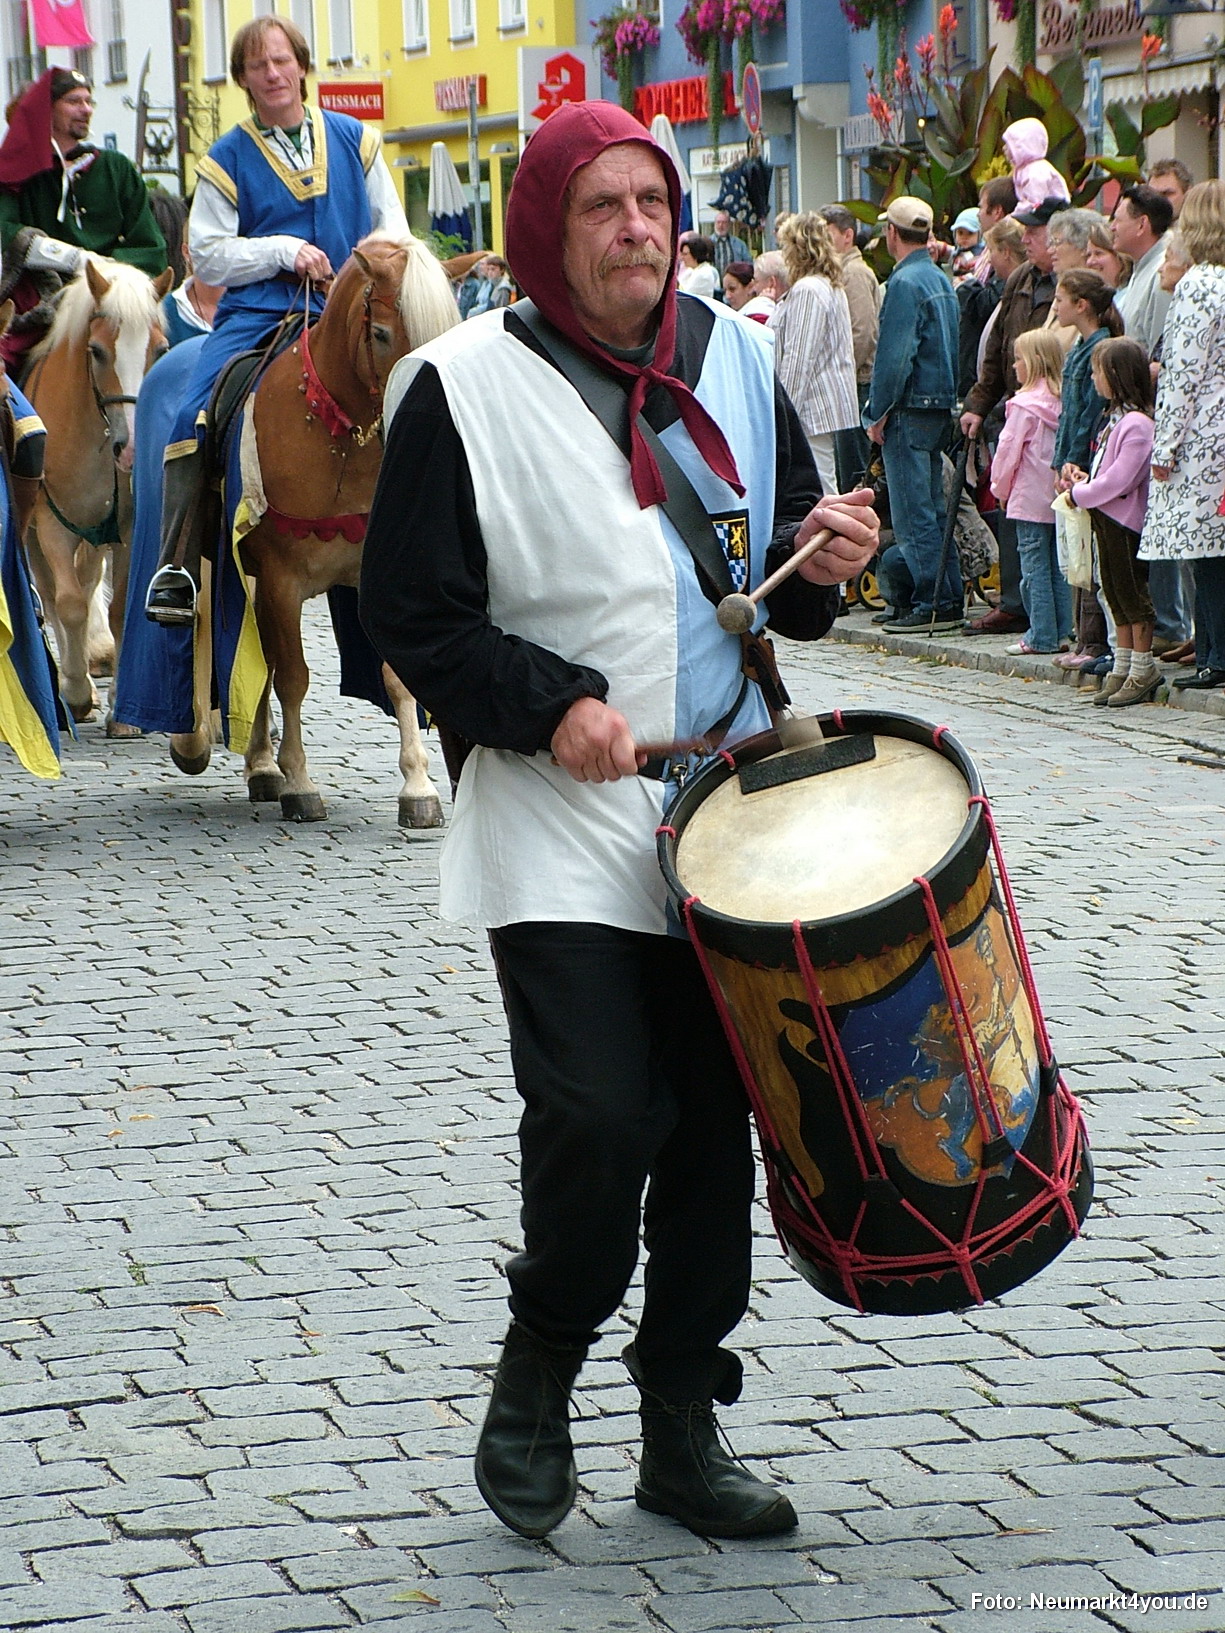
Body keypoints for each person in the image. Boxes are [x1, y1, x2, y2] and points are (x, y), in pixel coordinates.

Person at [358, 100, 879, 1543]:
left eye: (652, 202)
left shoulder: (738, 353)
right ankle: (542, 1358)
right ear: (544, 229)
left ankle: (679, 1423)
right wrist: (549, 706)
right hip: (557, 814)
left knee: (714, 1131)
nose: (638, 228)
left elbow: (783, 580)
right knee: (597, 1112)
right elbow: (410, 613)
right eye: (603, 205)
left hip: (727, 803)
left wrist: (828, 558)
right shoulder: (455, 387)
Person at [143, 14, 410, 624]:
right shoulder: (225, 158)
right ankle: (177, 565)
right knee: (193, 413)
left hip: (350, 310)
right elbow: (208, 252)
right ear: (243, 78)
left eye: (282, 60)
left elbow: (392, 229)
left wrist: (359, 271)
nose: (272, 73)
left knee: (413, 388)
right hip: (259, 313)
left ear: (302, 66)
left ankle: (433, 539)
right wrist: (283, 252)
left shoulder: (357, 140)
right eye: (258, 64)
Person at [0, 67, 167, 367]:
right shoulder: (19, 174)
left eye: (89, 101)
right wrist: (75, 259)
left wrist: (111, 273)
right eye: (74, 101)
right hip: (44, 296)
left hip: (113, 299)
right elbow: (7, 231)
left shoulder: (116, 168)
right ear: (47, 110)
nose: (86, 109)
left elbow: (149, 245)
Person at [962, 196, 1066, 636]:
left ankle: (1047, 623)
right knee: (1019, 530)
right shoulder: (1022, 277)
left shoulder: (1067, 280)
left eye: (1035, 232)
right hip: (1013, 399)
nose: (1027, 239)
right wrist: (978, 403)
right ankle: (1016, 605)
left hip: (1045, 406)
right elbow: (997, 347)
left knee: (1045, 541)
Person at [1140, 180, 1225, 692]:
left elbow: (1182, 375)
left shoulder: (1199, 284)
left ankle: (1215, 655)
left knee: (1205, 553)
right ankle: (1212, 652)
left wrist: (1166, 445)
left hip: (1201, 437)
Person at [866, 196, 961, 633]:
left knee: (912, 513)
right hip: (938, 406)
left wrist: (877, 412)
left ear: (892, 233)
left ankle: (932, 600)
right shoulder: (939, 277)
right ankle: (946, 595)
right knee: (935, 511)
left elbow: (895, 357)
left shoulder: (904, 283)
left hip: (908, 409)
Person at [1066, 337, 1158, 706]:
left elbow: (1121, 479)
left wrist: (1080, 494)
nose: (1093, 379)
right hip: (1105, 518)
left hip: (1124, 522)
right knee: (1114, 594)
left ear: (1117, 376)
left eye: (1098, 372)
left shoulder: (1137, 424)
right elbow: (1107, 472)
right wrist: (1085, 481)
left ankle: (1143, 667)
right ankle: (1122, 664)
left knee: (1132, 594)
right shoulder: (1116, 421)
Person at [990, 329, 1069, 655]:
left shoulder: (1023, 406)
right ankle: (1062, 631)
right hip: (1058, 497)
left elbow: (1007, 453)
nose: (1014, 366)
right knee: (1058, 568)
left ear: (1034, 362)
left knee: (1034, 569)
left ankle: (1040, 635)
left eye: (1018, 359)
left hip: (1028, 498)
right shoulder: (1063, 401)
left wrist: (999, 488)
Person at [771, 211, 859, 498]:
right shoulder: (830, 286)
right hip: (820, 405)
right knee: (822, 482)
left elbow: (799, 358)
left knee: (819, 486)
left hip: (810, 408)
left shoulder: (808, 290)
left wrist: (784, 415)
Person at [822, 202, 882, 491]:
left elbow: (863, 331)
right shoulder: (841, 272)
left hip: (857, 384)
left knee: (854, 471)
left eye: (828, 235)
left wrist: (843, 374)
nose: (823, 243)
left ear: (848, 236)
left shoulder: (854, 273)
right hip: (852, 383)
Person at [1111, 184, 1174, 357]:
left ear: (1142, 224)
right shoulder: (1141, 266)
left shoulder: (1164, 271)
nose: (1112, 227)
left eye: (1118, 220)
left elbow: (1161, 352)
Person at [1003, 119, 1070, 214]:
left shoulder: (1035, 172)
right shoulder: (1024, 169)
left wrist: (1014, 216)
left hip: (1052, 215)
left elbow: (1035, 203)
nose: (1004, 148)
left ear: (1022, 146)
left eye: (1009, 145)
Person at [742, 249, 784, 322]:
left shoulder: (759, 314)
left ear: (771, 282)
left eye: (756, 281)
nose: (753, 288)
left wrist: (762, 302)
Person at [676, 234, 719, 298]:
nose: (682, 258)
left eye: (685, 254)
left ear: (695, 254)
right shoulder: (690, 271)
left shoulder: (704, 274)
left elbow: (685, 297)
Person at [709, 209, 750, 275]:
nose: (720, 225)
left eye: (724, 222)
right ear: (714, 224)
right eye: (718, 222)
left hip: (735, 280)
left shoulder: (739, 244)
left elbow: (748, 264)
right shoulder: (707, 243)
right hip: (713, 280)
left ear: (729, 224)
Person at [950, 207, 983, 282]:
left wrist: (960, 280)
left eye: (970, 233)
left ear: (980, 234)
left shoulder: (980, 256)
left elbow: (977, 275)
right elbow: (949, 252)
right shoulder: (958, 251)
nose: (964, 237)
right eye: (960, 233)